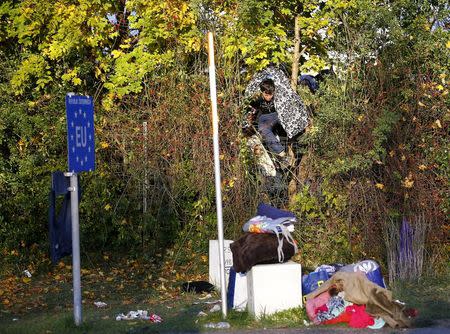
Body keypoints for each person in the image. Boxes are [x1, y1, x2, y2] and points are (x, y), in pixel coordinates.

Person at [243, 78, 291, 167]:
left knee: (283, 128)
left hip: (277, 115)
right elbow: (248, 108)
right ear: (262, 92)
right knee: (263, 129)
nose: (269, 97)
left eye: (271, 94)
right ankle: (281, 154)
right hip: (264, 118)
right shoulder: (256, 98)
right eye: (266, 94)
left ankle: (285, 151)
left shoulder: (278, 97)